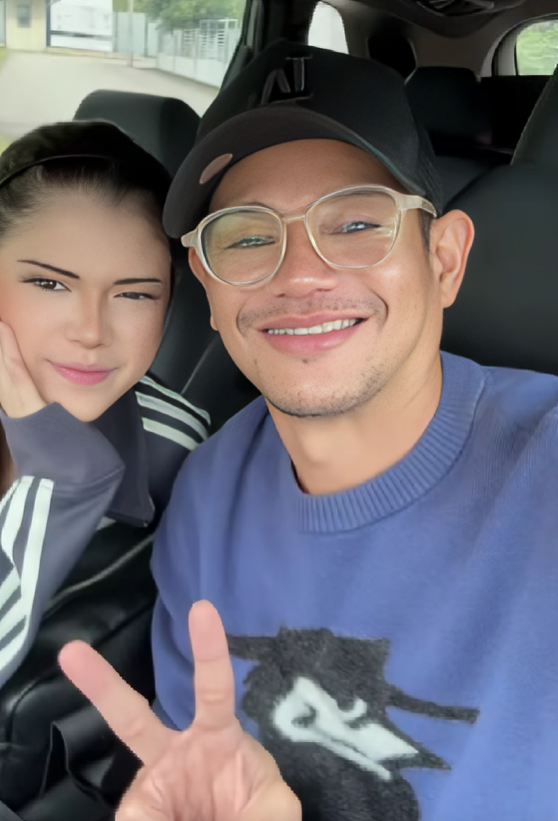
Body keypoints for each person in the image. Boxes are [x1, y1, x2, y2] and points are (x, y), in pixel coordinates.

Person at [61, 41, 558, 821]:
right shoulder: (208, 493)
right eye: (247, 236)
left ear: (444, 259)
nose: (298, 274)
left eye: (356, 221)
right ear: (208, 285)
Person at [0, 120, 209, 782]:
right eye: (50, 284)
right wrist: (61, 485)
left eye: (135, 293)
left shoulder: (178, 442)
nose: (90, 330)